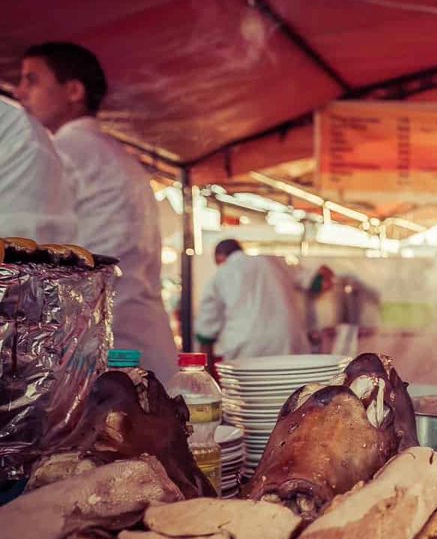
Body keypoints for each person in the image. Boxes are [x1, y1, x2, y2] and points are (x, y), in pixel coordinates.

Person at [16, 42, 177, 379]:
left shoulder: (57, 153)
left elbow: (25, 242)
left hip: (98, 343)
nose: (20, 92)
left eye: (32, 80)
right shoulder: (121, 158)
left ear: (74, 91)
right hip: (146, 334)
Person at [195, 239, 331, 362]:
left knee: (251, 381)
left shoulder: (219, 276)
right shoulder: (276, 261)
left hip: (245, 351)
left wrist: (206, 372)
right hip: (288, 343)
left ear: (220, 257)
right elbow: (318, 283)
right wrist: (324, 272)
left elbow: (206, 332)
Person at [0, 96, 77, 243]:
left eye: (32, 84)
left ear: (74, 91)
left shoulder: (17, 131)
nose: (19, 92)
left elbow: (18, 239)